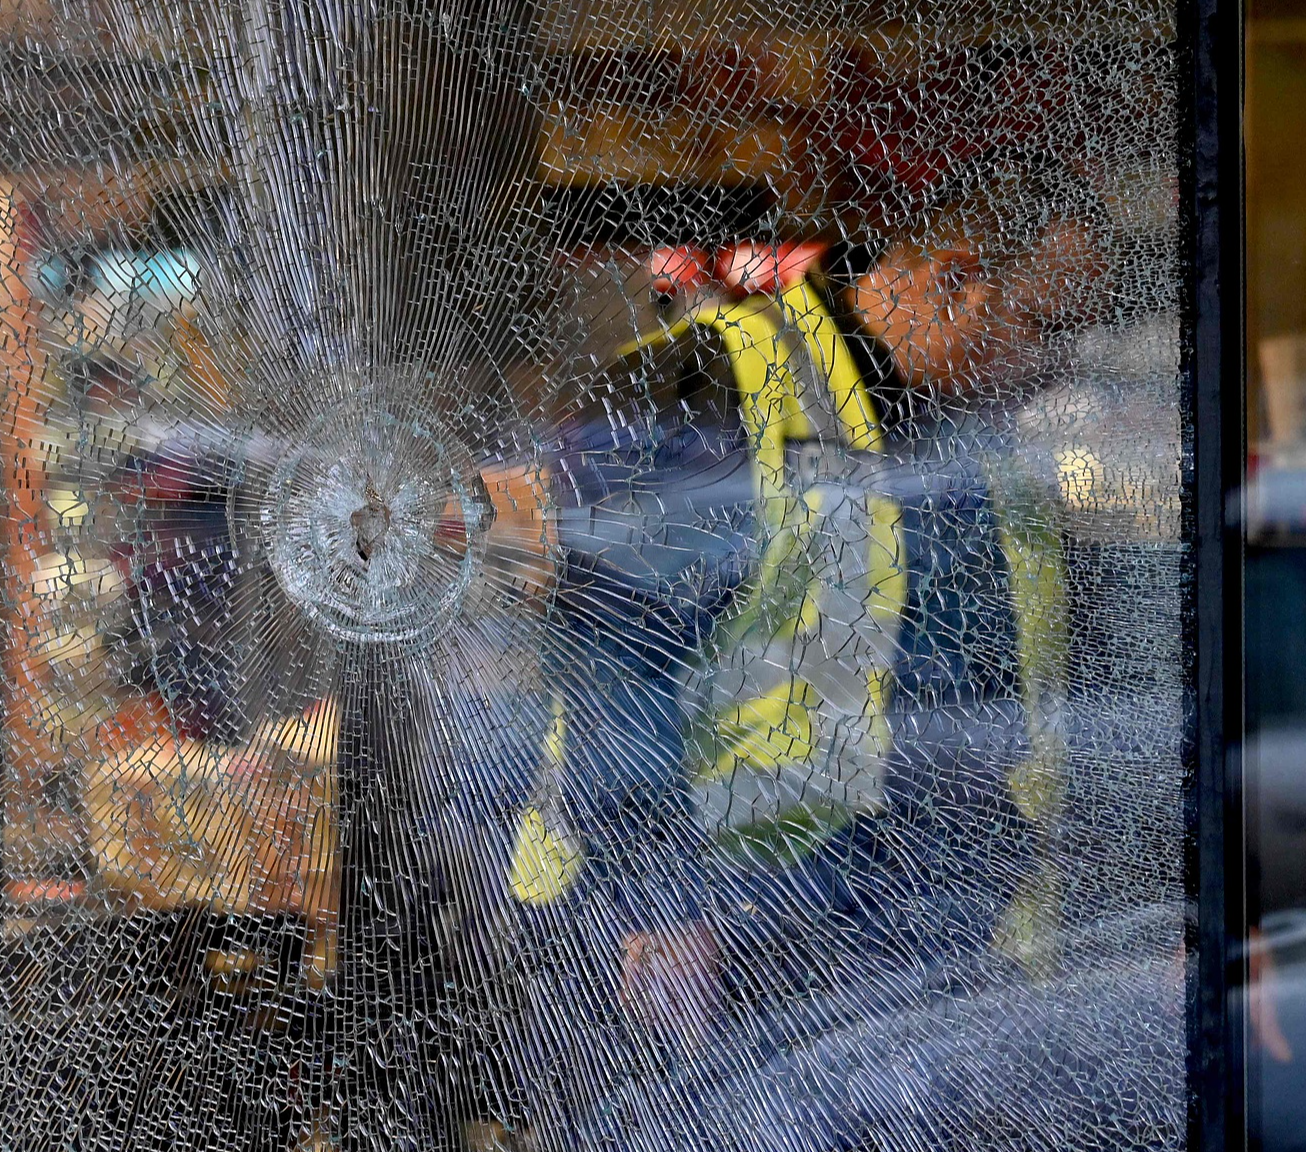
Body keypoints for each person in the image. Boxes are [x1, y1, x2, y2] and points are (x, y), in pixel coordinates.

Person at [449, 150, 1115, 1148]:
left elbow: (993, 691)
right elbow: (614, 657)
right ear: (954, 278)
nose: (1056, 362)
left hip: (897, 938)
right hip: (722, 942)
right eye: (1044, 324)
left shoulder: (980, 449)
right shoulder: (713, 382)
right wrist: (658, 904)